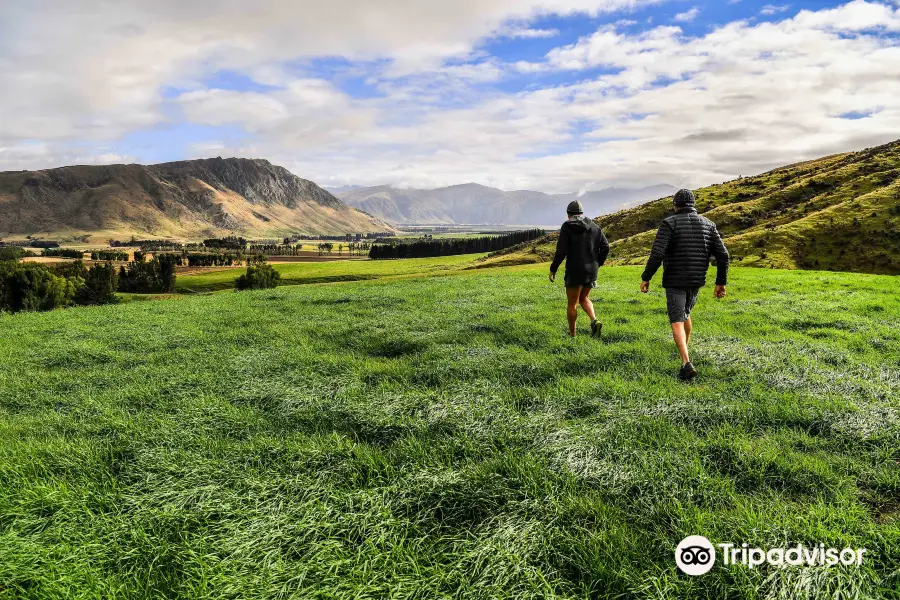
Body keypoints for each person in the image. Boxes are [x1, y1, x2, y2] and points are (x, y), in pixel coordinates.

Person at [640, 189, 729, 380]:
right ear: (693, 204)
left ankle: (686, 363)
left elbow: (657, 253)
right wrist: (720, 282)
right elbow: (723, 255)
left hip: (675, 279)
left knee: (676, 318)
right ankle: (684, 352)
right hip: (697, 279)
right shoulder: (708, 224)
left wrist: (646, 277)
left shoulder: (669, 223)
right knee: (686, 313)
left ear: (675, 205)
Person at [550, 200, 611, 339]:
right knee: (584, 297)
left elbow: (561, 251)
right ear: (582, 213)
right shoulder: (595, 226)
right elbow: (606, 247)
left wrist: (553, 269)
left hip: (574, 270)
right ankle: (594, 320)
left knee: (572, 303)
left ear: (568, 215)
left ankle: (572, 336)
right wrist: (597, 263)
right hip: (591, 270)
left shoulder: (567, 226)